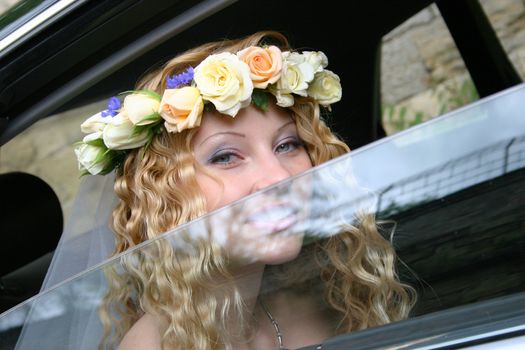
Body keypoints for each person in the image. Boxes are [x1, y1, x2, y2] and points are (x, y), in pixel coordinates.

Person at [74, 30, 415, 349]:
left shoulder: (324, 301)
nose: (278, 177)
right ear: (163, 193)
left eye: (288, 145)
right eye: (225, 156)